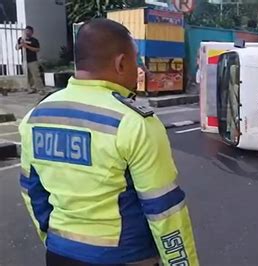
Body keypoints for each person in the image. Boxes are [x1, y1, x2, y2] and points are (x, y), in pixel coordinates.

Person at [18, 19, 199, 266]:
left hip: (59, 254)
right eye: (136, 62)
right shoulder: (134, 123)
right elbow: (164, 210)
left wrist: (53, 240)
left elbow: (33, 192)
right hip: (125, 257)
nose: (138, 70)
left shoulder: (36, 116)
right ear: (121, 63)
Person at [16, 25, 45, 95]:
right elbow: (16, 48)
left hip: (32, 60)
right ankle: (31, 88)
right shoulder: (21, 39)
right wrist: (21, 44)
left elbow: (37, 49)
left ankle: (40, 89)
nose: (27, 32)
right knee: (28, 76)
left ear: (32, 32)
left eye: (29, 31)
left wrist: (27, 46)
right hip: (24, 60)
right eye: (26, 31)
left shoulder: (34, 40)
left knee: (36, 75)